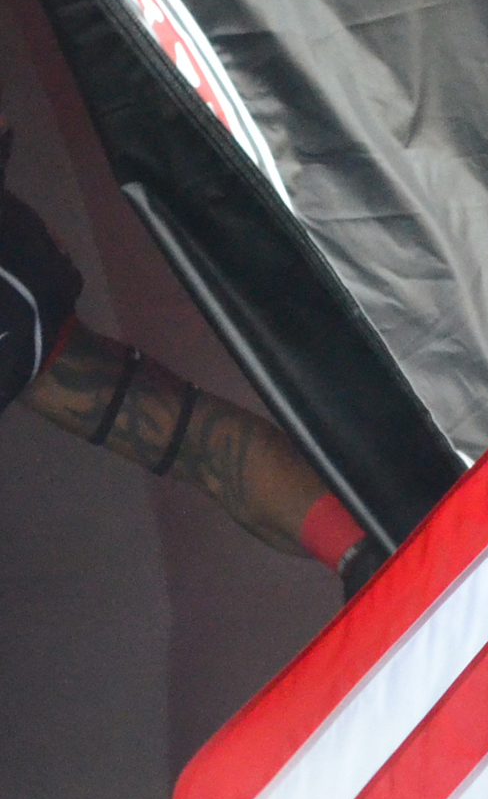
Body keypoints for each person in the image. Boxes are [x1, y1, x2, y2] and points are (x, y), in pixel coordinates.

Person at [0, 127, 381, 593]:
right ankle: (369, 557)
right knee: (188, 438)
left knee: (182, 436)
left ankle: (376, 563)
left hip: (20, 304)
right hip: (21, 296)